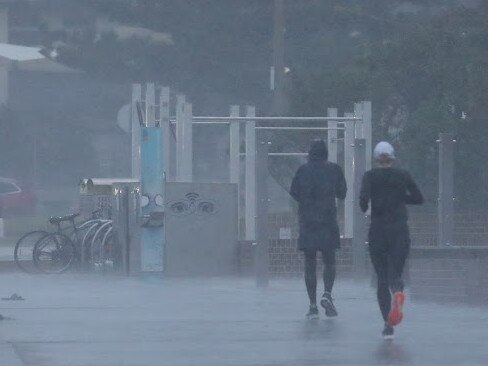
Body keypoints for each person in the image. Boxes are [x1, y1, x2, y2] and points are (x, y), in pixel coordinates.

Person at [359, 141, 423, 339]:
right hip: (399, 230)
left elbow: (362, 203)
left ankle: (388, 326)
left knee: (381, 278)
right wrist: (400, 198)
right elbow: (419, 198)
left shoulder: (370, 176)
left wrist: (375, 201)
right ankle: (398, 290)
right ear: (393, 157)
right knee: (395, 272)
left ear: (376, 158)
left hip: (378, 231)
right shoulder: (403, 175)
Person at [290, 139, 347, 319]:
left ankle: (313, 306)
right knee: (329, 261)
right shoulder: (335, 169)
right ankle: (327, 294)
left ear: (310, 153)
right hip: (328, 222)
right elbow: (342, 194)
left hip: (308, 222)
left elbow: (294, 193)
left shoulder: (302, 170)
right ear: (326, 153)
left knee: (310, 264)